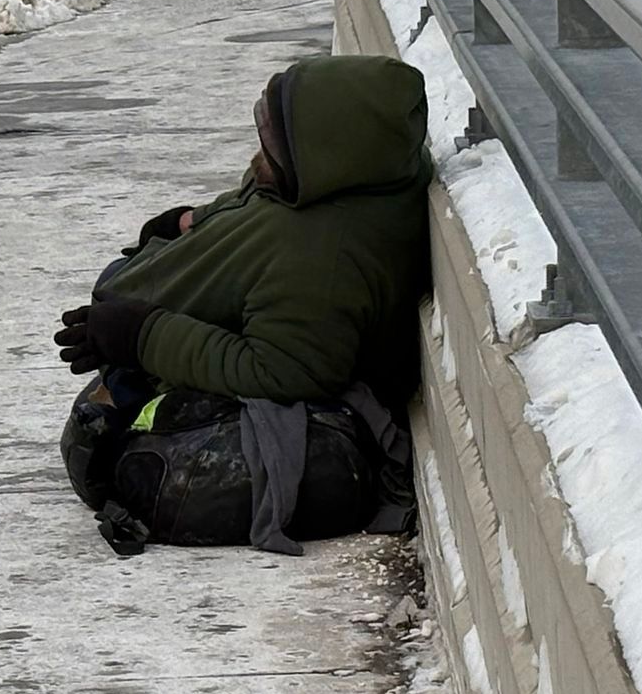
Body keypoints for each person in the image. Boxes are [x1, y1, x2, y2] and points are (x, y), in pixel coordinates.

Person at [55, 55, 433, 554]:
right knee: (111, 330)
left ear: (328, 151)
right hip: (240, 300)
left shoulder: (323, 257)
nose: (259, 157)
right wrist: (192, 223)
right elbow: (256, 204)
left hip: (271, 358)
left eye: (273, 146)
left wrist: (144, 336)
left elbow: (282, 372)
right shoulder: (355, 176)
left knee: (107, 443)